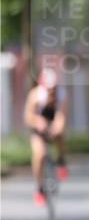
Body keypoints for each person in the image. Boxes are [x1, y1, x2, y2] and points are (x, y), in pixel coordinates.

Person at [23, 67, 69, 206]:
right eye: (49, 88)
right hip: (38, 127)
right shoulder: (35, 95)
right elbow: (28, 117)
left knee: (59, 134)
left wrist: (57, 127)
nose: (51, 91)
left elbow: (61, 116)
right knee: (39, 154)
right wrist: (37, 122)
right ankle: (39, 187)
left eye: (53, 88)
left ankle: (61, 160)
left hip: (52, 123)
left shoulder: (61, 95)